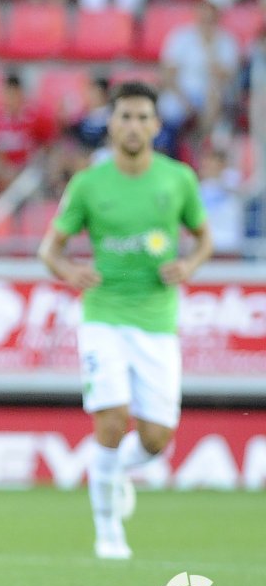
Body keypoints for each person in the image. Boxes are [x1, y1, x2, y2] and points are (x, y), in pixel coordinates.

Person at [38, 81, 212, 560]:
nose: (133, 126)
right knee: (111, 421)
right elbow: (49, 249)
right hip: (103, 315)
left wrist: (190, 266)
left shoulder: (178, 179)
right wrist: (70, 271)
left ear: (156, 126)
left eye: (142, 118)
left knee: (156, 439)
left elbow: (204, 238)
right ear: (110, 124)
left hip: (157, 320)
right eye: (124, 117)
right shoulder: (90, 183)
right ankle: (108, 534)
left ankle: (114, 478)